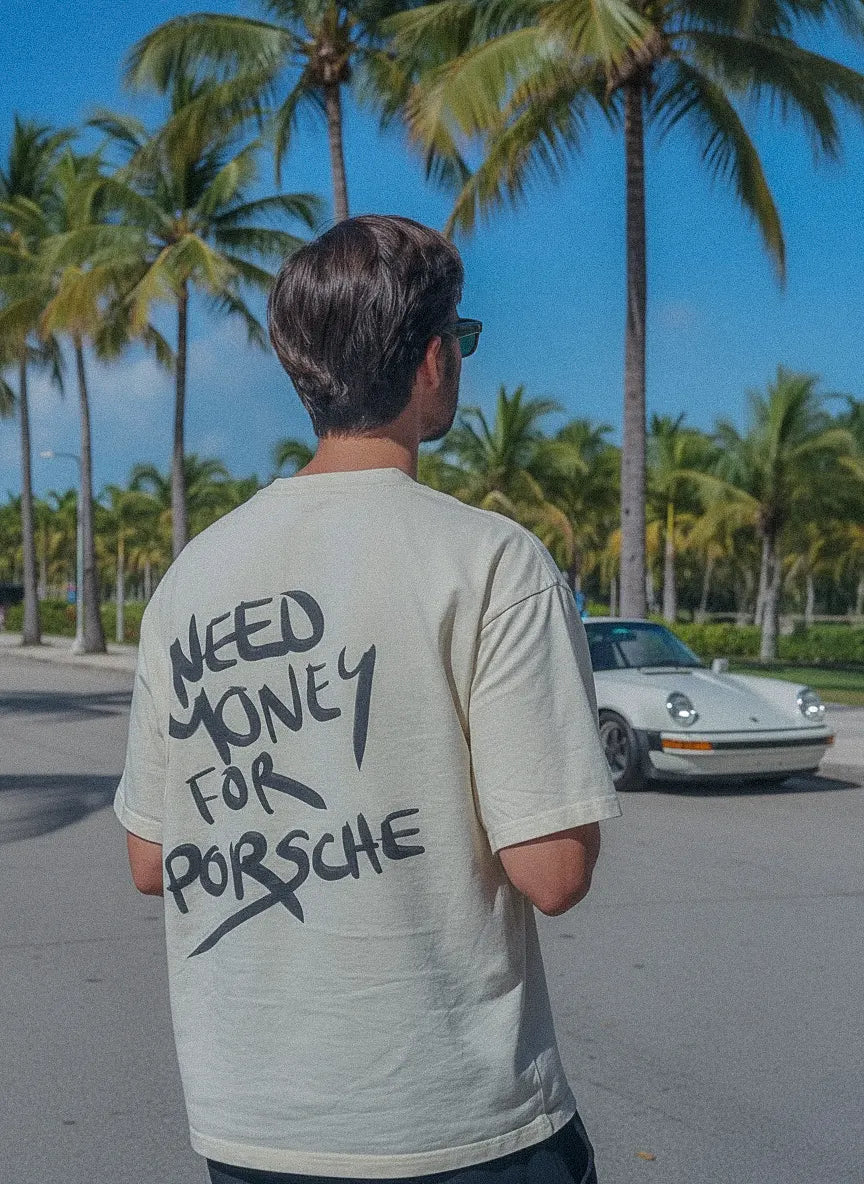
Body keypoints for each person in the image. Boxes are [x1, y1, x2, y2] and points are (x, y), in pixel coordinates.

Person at [114, 214, 621, 1184]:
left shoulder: (194, 575)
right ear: (433, 358)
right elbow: (552, 869)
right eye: (460, 340)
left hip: (252, 1122)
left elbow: (151, 856)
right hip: (455, 1122)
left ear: (302, 367)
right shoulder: (490, 559)